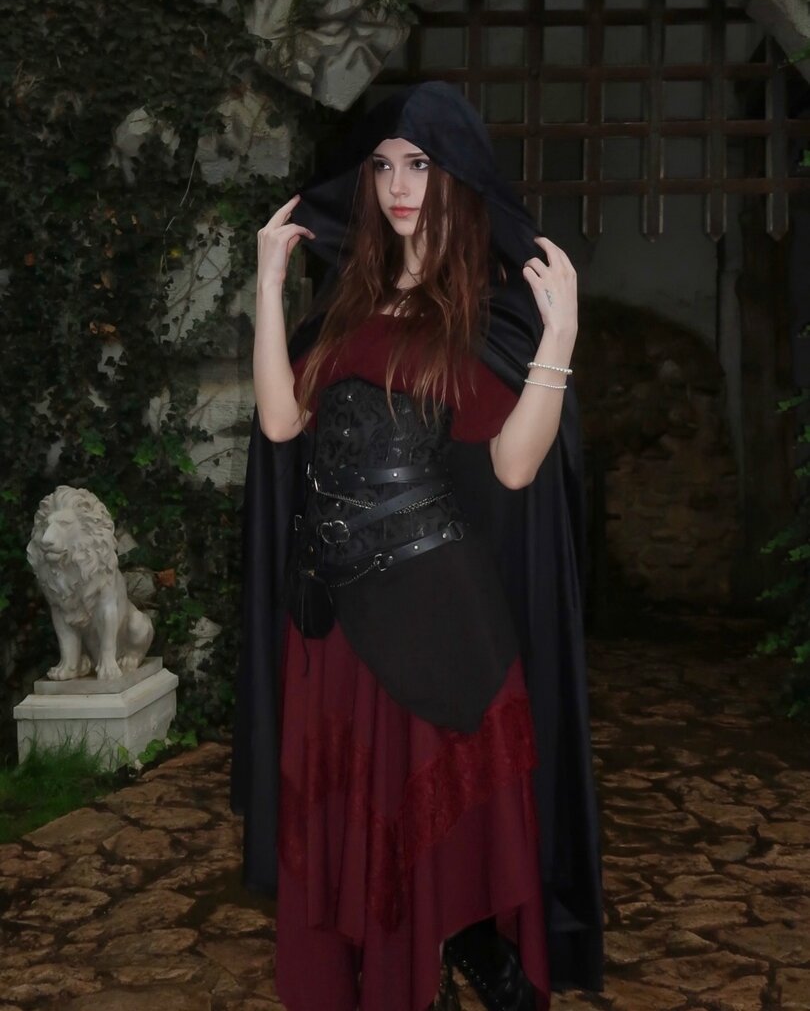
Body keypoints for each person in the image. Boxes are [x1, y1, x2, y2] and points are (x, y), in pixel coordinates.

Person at [230, 82, 604, 1011]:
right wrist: (268, 288)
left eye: (421, 166)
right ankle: (440, 964)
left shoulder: (486, 312)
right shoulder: (346, 304)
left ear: (457, 176)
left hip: (435, 618)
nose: (400, 187)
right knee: (351, 821)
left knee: (427, 824)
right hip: (330, 621)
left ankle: (457, 960)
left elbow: (515, 466)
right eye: (384, 167)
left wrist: (558, 337)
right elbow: (279, 421)